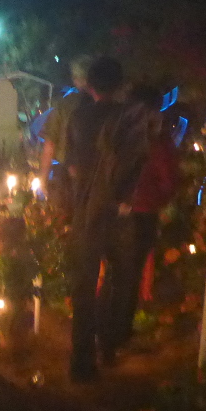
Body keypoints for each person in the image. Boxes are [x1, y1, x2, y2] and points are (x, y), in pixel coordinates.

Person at [63, 56, 148, 382]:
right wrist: (123, 198)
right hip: (117, 211)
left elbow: (69, 164)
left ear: (90, 85)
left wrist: (85, 187)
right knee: (118, 277)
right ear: (120, 85)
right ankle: (108, 345)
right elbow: (137, 163)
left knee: (84, 284)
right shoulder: (130, 118)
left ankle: (81, 361)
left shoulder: (78, 116)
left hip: (87, 208)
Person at [107, 86, 182, 351]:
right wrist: (158, 199)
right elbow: (169, 179)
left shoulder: (117, 135)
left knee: (113, 272)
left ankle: (104, 330)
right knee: (130, 274)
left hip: (112, 211)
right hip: (141, 212)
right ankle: (118, 334)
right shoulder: (157, 142)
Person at [38, 56, 93, 210]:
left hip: (66, 174)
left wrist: (43, 178)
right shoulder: (102, 104)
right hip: (96, 175)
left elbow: (50, 143)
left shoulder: (64, 105)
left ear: (76, 80)